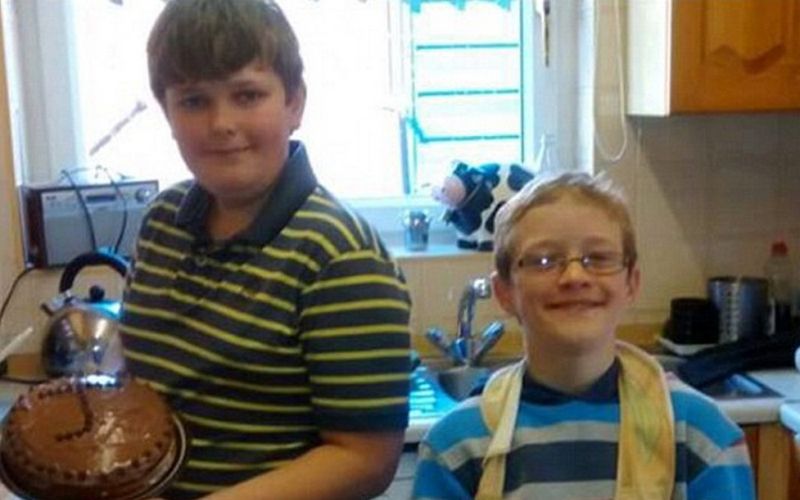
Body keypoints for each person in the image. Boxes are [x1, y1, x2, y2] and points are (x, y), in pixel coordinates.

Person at [119, 1, 411, 498]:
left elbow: (365, 460)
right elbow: (150, 385)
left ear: (294, 103)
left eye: (247, 95)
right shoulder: (162, 222)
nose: (221, 123)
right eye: (194, 101)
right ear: (167, 112)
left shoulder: (340, 255)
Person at [412, 172, 755, 499]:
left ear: (631, 283)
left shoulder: (702, 437)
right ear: (504, 292)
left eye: (599, 258)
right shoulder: (455, 447)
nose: (575, 276)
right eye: (544, 260)